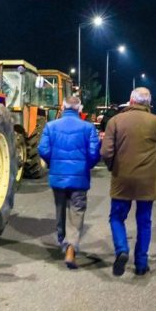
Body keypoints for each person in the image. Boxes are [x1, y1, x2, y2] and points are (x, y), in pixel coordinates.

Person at [101, 87, 156, 277]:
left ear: (131, 100)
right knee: (144, 222)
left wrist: (113, 167)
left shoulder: (115, 121)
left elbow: (105, 152)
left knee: (117, 217)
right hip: (147, 180)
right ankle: (141, 264)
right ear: (149, 103)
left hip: (122, 178)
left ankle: (122, 249)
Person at [38, 95, 101, 269]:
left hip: (58, 176)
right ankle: (71, 246)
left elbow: (42, 149)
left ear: (63, 107)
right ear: (79, 108)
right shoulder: (88, 128)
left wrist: (54, 163)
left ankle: (62, 241)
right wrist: (86, 165)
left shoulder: (50, 126)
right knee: (77, 211)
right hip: (79, 177)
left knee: (60, 210)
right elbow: (95, 152)